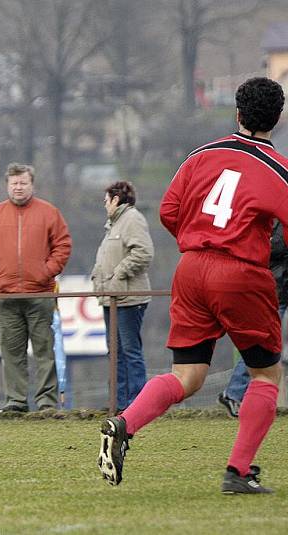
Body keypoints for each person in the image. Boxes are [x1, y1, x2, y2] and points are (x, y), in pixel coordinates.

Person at [98, 77, 287, 494]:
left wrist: (199, 240)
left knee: (187, 375)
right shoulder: (278, 170)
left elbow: (169, 209)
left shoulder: (201, 155)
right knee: (265, 375)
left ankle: (124, 424)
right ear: (278, 118)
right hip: (240, 273)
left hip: (191, 268)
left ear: (237, 114)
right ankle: (238, 472)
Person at [0, 163, 72, 412]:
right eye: (14, 183)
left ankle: (46, 402)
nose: (18, 187)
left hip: (40, 294)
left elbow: (62, 246)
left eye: (23, 183)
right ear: (7, 185)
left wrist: (46, 272)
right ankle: (16, 401)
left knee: (44, 350)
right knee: (11, 351)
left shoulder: (49, 213)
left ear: (32, 184)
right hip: (7, 295)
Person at [91, 181, 154, 412]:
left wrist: (119, 273)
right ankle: (118, 403)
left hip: (129, 299)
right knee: (115, 353)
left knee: (130, 351)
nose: (104, 205)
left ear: (116, 199)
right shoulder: (114, 224)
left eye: (106, 200)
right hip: (112, 299)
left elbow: (144, 252)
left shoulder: (132, 219)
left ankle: (138, 403)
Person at [218, 220, 288, 417]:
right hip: (277, 290)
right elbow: (276, 246)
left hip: (278, 288)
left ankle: (235, 393)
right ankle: (234, 392)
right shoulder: (277, 216)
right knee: (262, 345)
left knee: (264, 346)